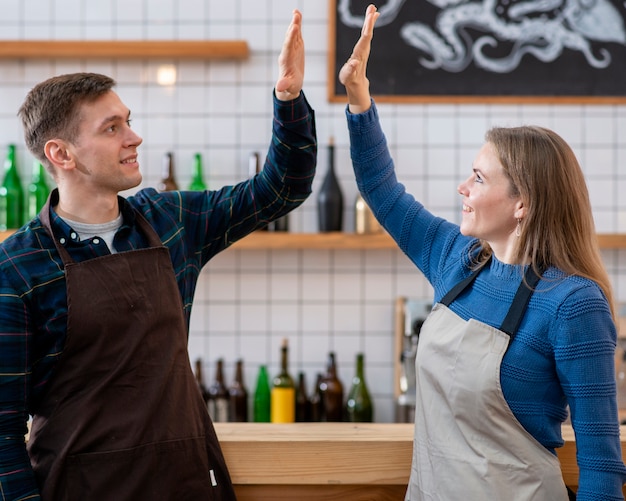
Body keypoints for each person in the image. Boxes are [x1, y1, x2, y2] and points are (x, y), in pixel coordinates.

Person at [0, 9, 316, 501]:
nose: (134, 137)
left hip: (184, 482)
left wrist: (289, 98)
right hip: (78, 490)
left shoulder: (172, 222)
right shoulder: (17, 267)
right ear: (61, 154)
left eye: (129, 121)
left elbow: (281, 190)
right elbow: (1, 435)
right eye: (111, 128)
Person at [339, 5, 626, 500]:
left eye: (478, 178)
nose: (462, 188)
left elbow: (600, 463)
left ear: (523, 204)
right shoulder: (458, 259)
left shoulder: (574, 304)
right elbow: (381, 190)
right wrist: (359, 99)